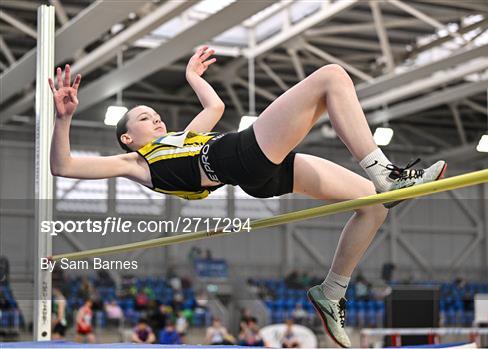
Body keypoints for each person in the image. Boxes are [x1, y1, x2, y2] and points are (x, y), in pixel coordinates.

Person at [48, 46, 447, 347]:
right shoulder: (137, 162)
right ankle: (388, 174)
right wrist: (63, 120)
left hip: (258, 173)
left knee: (374, 206)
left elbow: (216, 105)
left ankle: (332, 292)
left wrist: (193, 75)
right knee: (332, 77)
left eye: (154, 111)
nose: (154, 115)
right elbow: (63, 167)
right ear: (127, 137)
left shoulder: (183, 138)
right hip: (240, 155)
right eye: (142, 116)